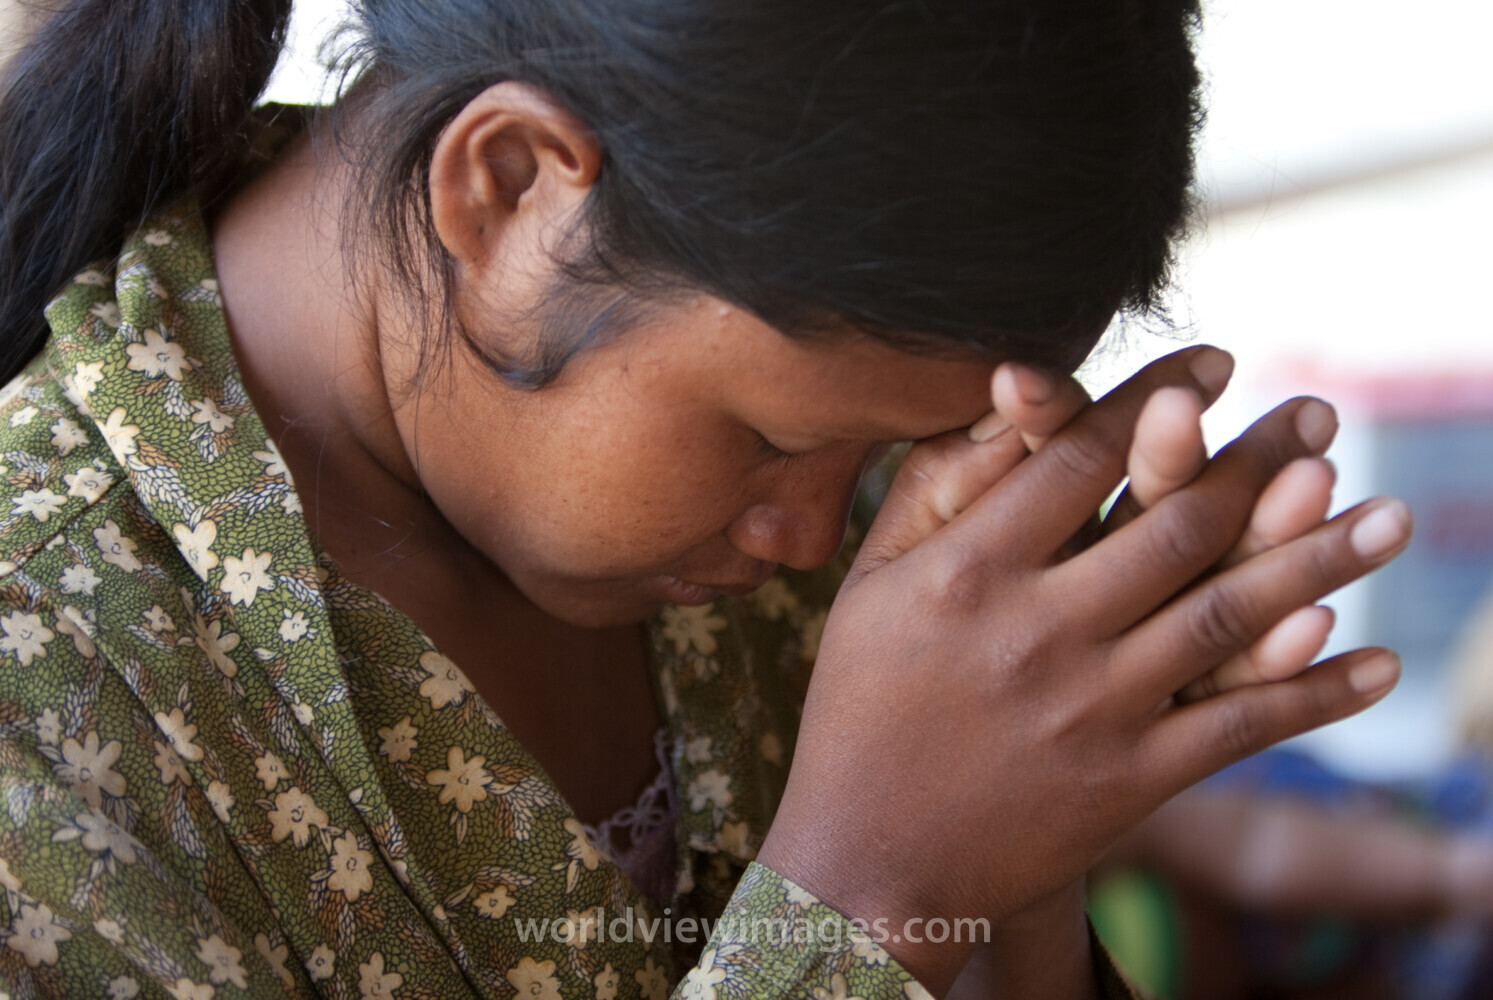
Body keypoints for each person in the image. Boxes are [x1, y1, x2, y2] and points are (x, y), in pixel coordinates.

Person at [0, 1, 1412, 998]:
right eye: (765, 437)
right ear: (505, 191)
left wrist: (1021, 845)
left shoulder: (856, 539)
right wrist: (867, 900)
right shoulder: (47, 691)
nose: (811, 537)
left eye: (886, 462)